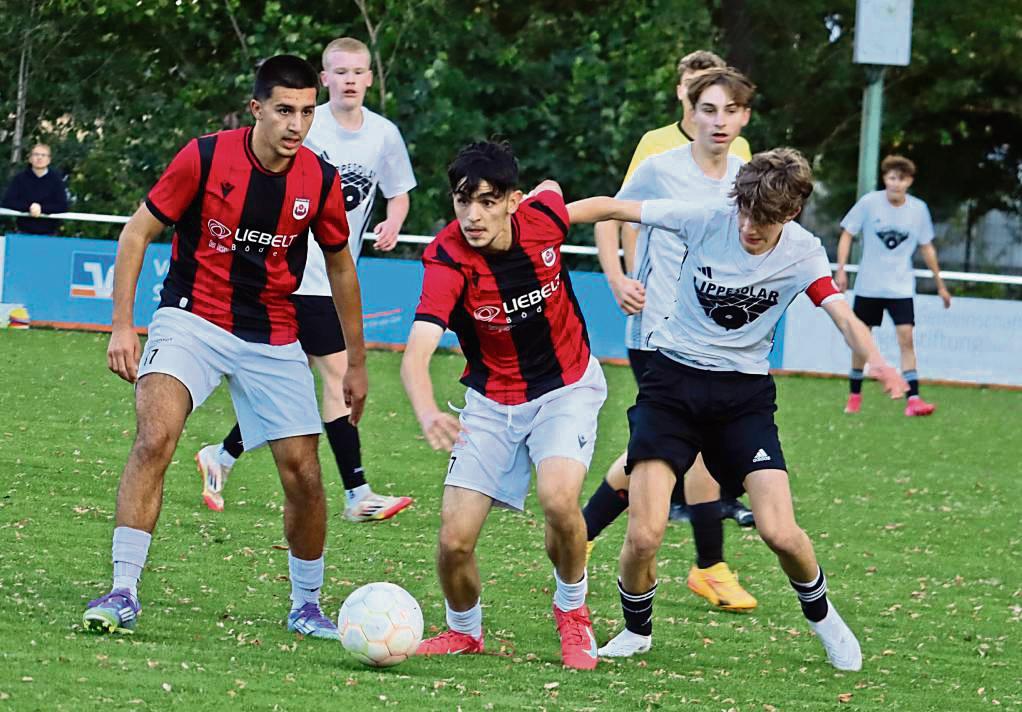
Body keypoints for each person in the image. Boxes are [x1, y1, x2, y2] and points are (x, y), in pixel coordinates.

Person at [567, 148, 908, 670]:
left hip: (743, 399)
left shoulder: (803, 252)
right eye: (746, 211)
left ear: (789, 214)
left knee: (779, 531)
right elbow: (613, 208)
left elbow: (841, 314)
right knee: (645, 534)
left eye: (765, 218)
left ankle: (824, 620)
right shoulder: (706, 219)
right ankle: (637, 631)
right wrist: (533, 219)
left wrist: (878, 360)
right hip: (672, 384)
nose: (750, 226)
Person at [82, 55, 367, 640]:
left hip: (272, 332)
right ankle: (123, 589)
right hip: (192, 318)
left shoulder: (319, 178)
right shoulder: (205, 156)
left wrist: (355, 364)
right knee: (155, 435)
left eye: (307, 112)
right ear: (256, 109)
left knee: (304, 475)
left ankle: (307, 606)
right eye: (284, 110)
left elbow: (341, 267)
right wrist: (121, 326)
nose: (296, 125)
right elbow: (137, 231)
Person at [401, 141, 605, 669]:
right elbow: (416, 352)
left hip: (567, 387)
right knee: (453, 542)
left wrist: (660, 214)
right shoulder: (448, 258)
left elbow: (582, 201)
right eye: (463, 201)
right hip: (492, 402)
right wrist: (427, 411)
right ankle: (465, 632)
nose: (473, 215)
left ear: (513, 201)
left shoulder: (542, 218)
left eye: (488, 202)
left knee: (559, 500)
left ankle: (572, 611)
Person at [196, 37, 415, 522]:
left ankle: (222, 455)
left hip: (333, 279)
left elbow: (399, 191)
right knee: (335, 378)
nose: (350, 79)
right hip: (297, 278)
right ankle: (358, 493)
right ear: (324, 78)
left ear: (371, 78)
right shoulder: (303, 129)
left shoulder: (384, 135)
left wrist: (394, 221)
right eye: (340, 72)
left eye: (358, 71)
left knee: (287, 388)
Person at [584, 66, 758, 615]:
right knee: (697, 448)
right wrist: (617, 278)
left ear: (745, 116)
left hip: (714, 336)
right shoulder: (659, 161)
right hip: (657, 328)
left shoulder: (747, 170)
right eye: (710, 109)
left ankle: (581, 533)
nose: (719, 120)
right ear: (689, 105)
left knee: (657, 449)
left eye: (731, 111)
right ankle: (710, 567)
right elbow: (611, 213)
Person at [836, 154, 951, 416]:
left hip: (900, 287)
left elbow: (927, 247)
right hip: (868, 286)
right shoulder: (869, 203)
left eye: (901, 179)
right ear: (885, 179)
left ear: (909, 182)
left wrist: (940, 284)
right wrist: (841, 270)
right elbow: (847, 234)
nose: (895, 184)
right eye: (891, 178)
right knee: (861, 341)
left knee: (906, 338)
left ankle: (914, 399)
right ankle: (854, 395)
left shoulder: (918, 209)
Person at [2, 143, 69, 234]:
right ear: (30, 158)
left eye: (43, 155)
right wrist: (29, 207)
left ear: (49, 160)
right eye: (36, 154)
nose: (39, 158)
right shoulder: (20, 179)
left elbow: (62, 206)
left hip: (50, 234)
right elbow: (8, 201)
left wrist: (41, 208)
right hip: (23, 231)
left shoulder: (56, 180)